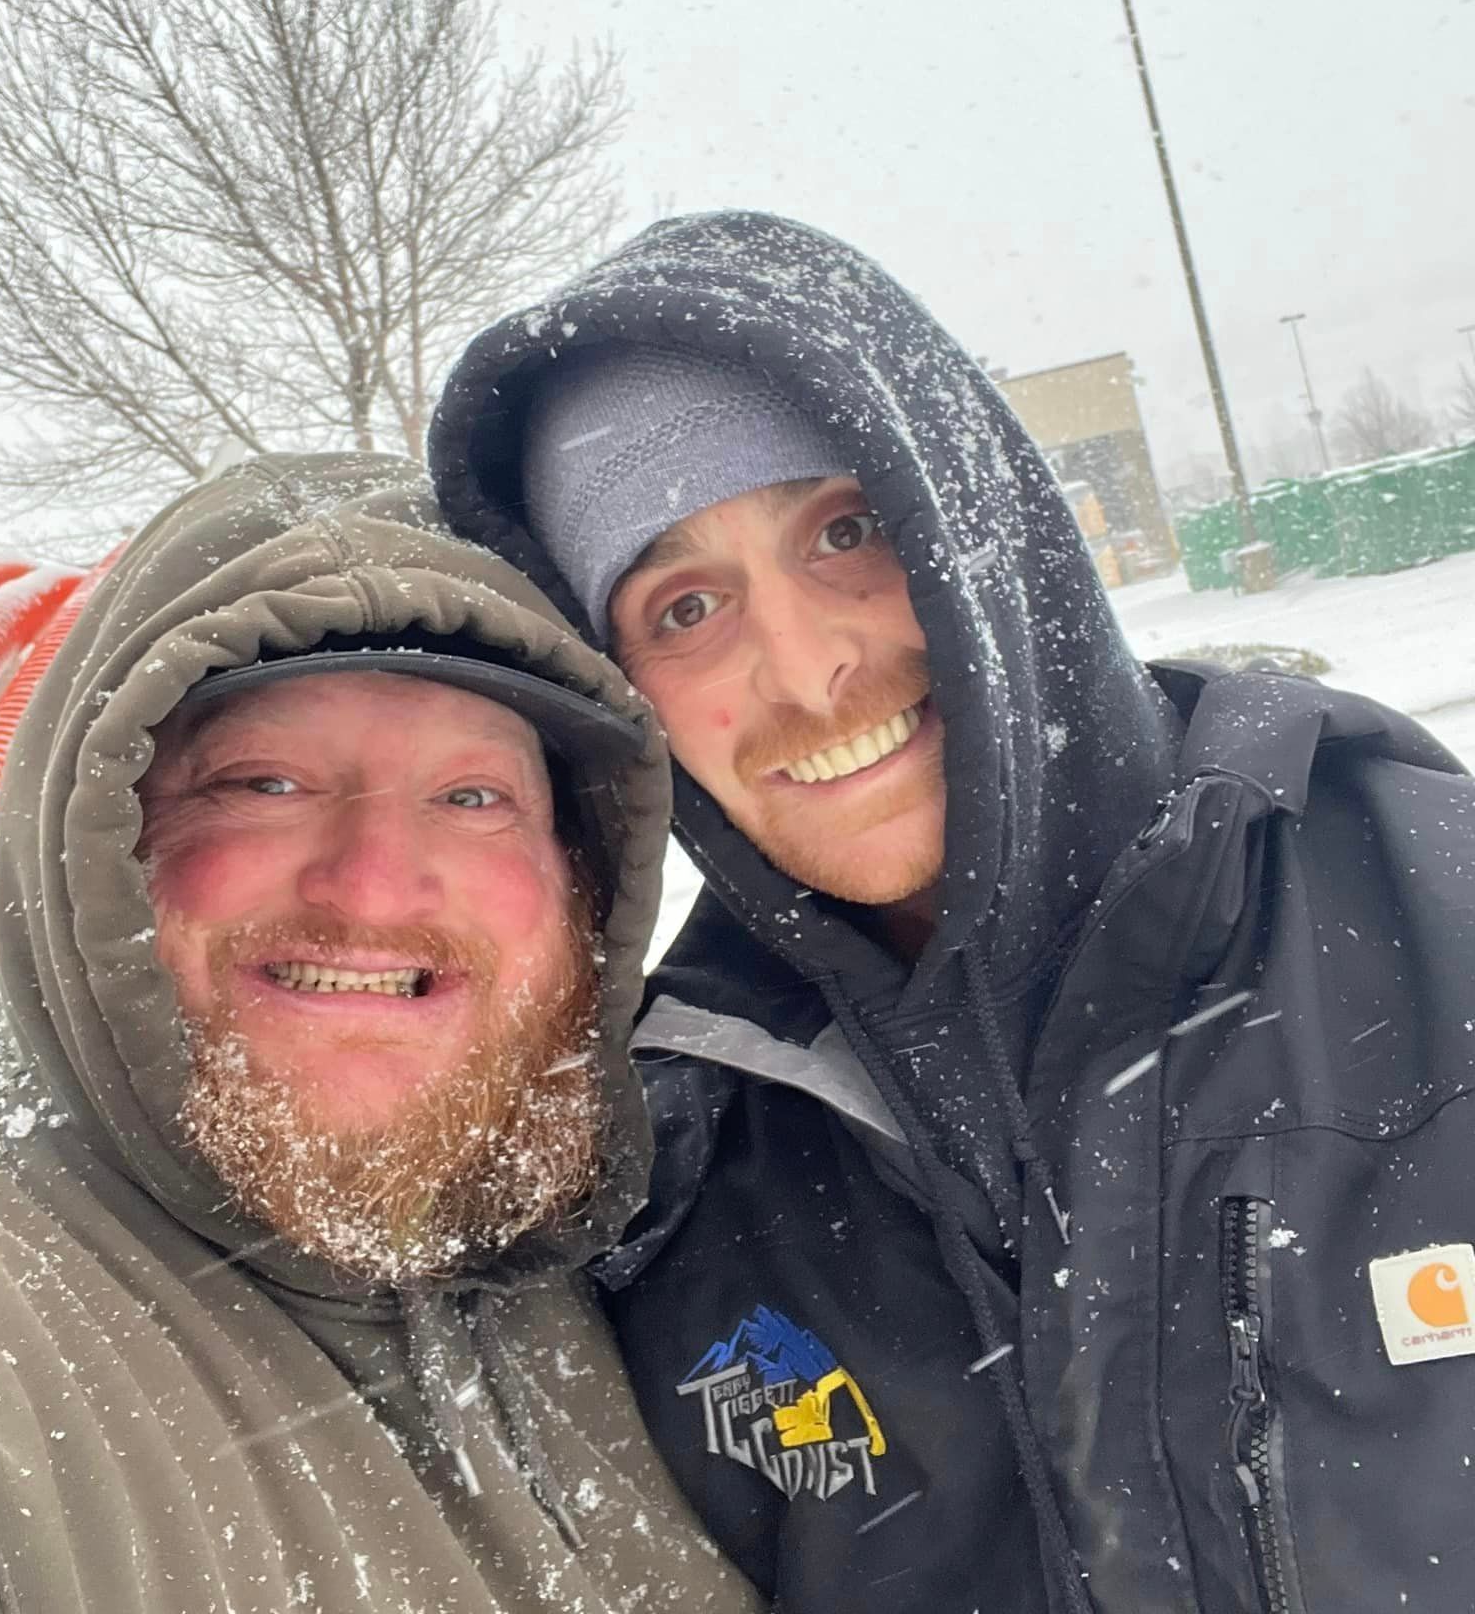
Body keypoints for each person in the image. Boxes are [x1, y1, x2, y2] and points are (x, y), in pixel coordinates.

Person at [430, 210, 1475, 1614]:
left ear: (981, 524)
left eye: (848, 530)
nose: (805, 673)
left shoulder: (1436, 910)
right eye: (684, 609)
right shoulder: (665, 1176)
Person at [0, 451, 765, 1614]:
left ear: (583, 881)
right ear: (93, 852)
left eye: (473, 796)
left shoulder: (654, 1244)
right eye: (264, 782)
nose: (375, 888)